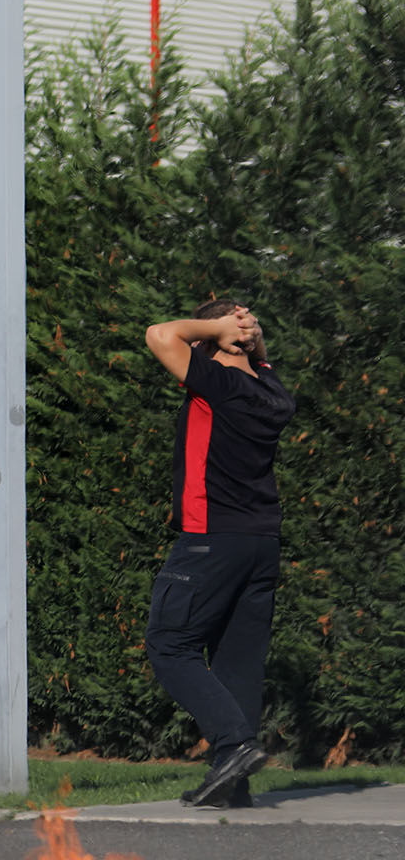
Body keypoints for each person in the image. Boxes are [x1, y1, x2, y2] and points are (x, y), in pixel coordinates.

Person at [143, 301, 291, 808]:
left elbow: (161, 334)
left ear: (207, 343)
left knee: (169, 645)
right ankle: (234, 786)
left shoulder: (217, 383)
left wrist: (221, 327)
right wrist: (249, 334)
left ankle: (234, 746)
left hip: (211, 540)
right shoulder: (271, 391)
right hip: (261, 544)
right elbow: (257, 356)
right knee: (238, 664)